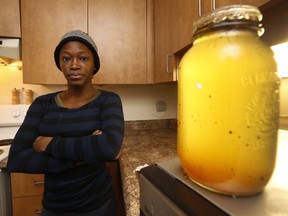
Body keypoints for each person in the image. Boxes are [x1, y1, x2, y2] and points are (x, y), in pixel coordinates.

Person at [7, 30, 124, 216]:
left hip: (98, 205)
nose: (74, 65)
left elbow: (109, 146)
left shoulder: (107, 101)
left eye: (84, 58)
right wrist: (80, 158)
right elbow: (17, 159)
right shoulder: (42, 104)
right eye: (66, 59)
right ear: (60, 64)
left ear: (94, 65)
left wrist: (49, 143)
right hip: (54, 207)